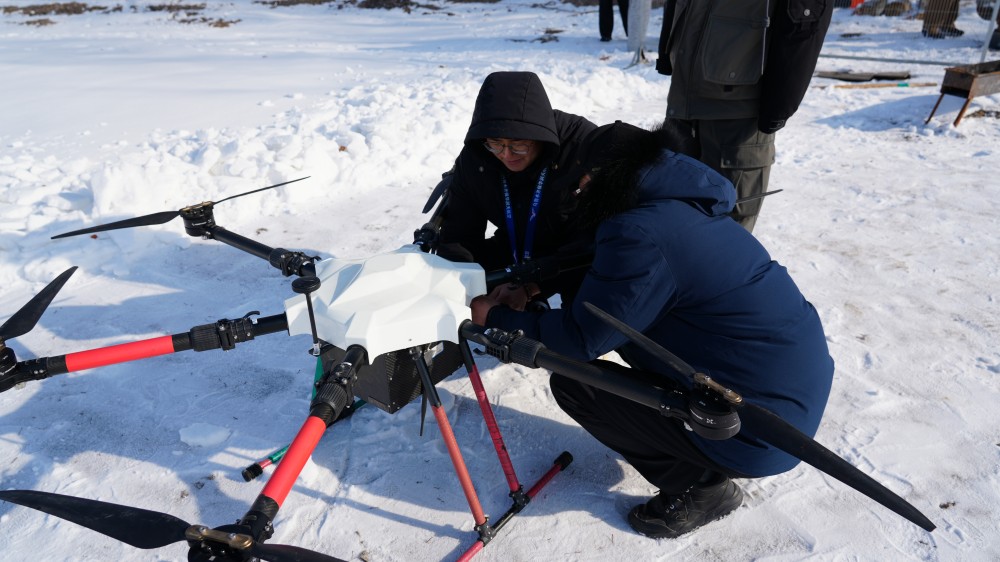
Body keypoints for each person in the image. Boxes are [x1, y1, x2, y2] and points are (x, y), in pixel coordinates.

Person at [471, 121, 835, 538]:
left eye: (582, 182)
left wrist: (495, 320)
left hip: (755, 425)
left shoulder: (639, 232)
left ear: (604, 177)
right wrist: (538, 285)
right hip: (787, 389)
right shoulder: (679, 206)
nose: (577, 192)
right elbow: (609, 275)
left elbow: (582, 340)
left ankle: (702, 488)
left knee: (577, 384)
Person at [655, 0, 832, 232]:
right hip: (683, 103)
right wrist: (667, 52)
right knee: (667, 222)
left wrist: (779, 105)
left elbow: (805, 20)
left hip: (737, 120)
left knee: (725, 232)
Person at [433, 71, 597, 306]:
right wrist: (468, 292)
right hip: (515, 244)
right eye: (496, 144)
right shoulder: (476, 156)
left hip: (573, 255)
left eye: (519, 145)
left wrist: (534, 286)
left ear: (538, 136)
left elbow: (600, 241)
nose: (506, 155)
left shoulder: (581, 147)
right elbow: (459, 236)